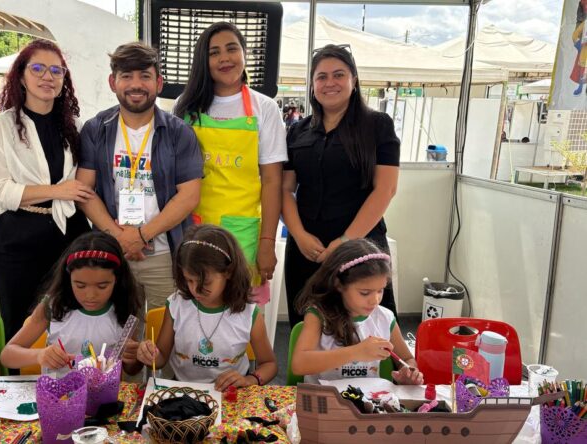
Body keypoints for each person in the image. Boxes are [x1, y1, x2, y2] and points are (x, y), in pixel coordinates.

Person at [0, 39, 93, 340]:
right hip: (17, 241)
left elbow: (83, 184)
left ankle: (69, 386)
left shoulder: (74, 127)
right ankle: (18, 388)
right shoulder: (0, 127)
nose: (48, 77)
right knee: (20, 325)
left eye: (57, 71)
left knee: (69, 323)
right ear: (21, 76)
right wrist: (57, 190)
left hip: (70, 234)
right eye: (38, 68)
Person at [77, 42, 203, 310]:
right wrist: (120, 237)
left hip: (164, 253)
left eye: (144, 76)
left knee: (164, 333)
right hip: (111, 253)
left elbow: (190, 195)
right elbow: (84, 190)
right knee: (119, 336)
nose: (136, 84)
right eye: (126, 76)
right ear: (113, 82)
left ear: (159, 82)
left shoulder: (179, 133)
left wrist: (142, 235)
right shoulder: (95, 129)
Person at [282, 44, 400, 327]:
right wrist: (298, 235)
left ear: (354, 80)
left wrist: (345, 242)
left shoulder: (377, 125)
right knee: (308, 327)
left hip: (361, 247)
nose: (330, 83)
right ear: (312, 84)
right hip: (307, 248)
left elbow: (385, 189)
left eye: (339, 75)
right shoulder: (298, 130)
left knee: (370, 327)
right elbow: (284, 189)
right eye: (321, 77)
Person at [174, 22, 287, 286]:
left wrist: (267, 243)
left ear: (244, 54)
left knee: (240, 310)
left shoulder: (265, 108)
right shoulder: (185, 105)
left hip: (243, 231)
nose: (224, 58)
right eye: (214, 52)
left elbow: (272, 181)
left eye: (231, 49)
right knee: (196, 303)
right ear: (204, 60)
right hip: (193, 225)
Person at [136, 225, 277, 390]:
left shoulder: (248, 313)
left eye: (205, 283)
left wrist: (249, 380)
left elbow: (269, 364)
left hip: (229, 394)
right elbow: (160, 360)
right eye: (189, 280)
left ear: (229, 272)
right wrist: (148, 354)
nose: (195, 289)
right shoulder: (177, 305)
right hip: (183, 391)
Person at [0, 231, 143, 376]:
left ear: (117, 279)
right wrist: (39, 355)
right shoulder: (52, 305)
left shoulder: (123, 307)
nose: (90, 295)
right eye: (80, 285)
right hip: (57, 394)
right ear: (68, 279)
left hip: (103, 396)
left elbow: (132, 370)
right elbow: (7, 355)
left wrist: (132, 358)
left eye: (102, 286)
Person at [291, 239, 422, 384]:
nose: (375, 300)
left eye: (380, 290)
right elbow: (299, 364)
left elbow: (406, 359)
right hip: (323, 400)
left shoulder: (385, 317)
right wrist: (356, 352)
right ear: (339, 284)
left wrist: (409, 371)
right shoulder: (319, 315)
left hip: (367, 401)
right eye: (365, 293)